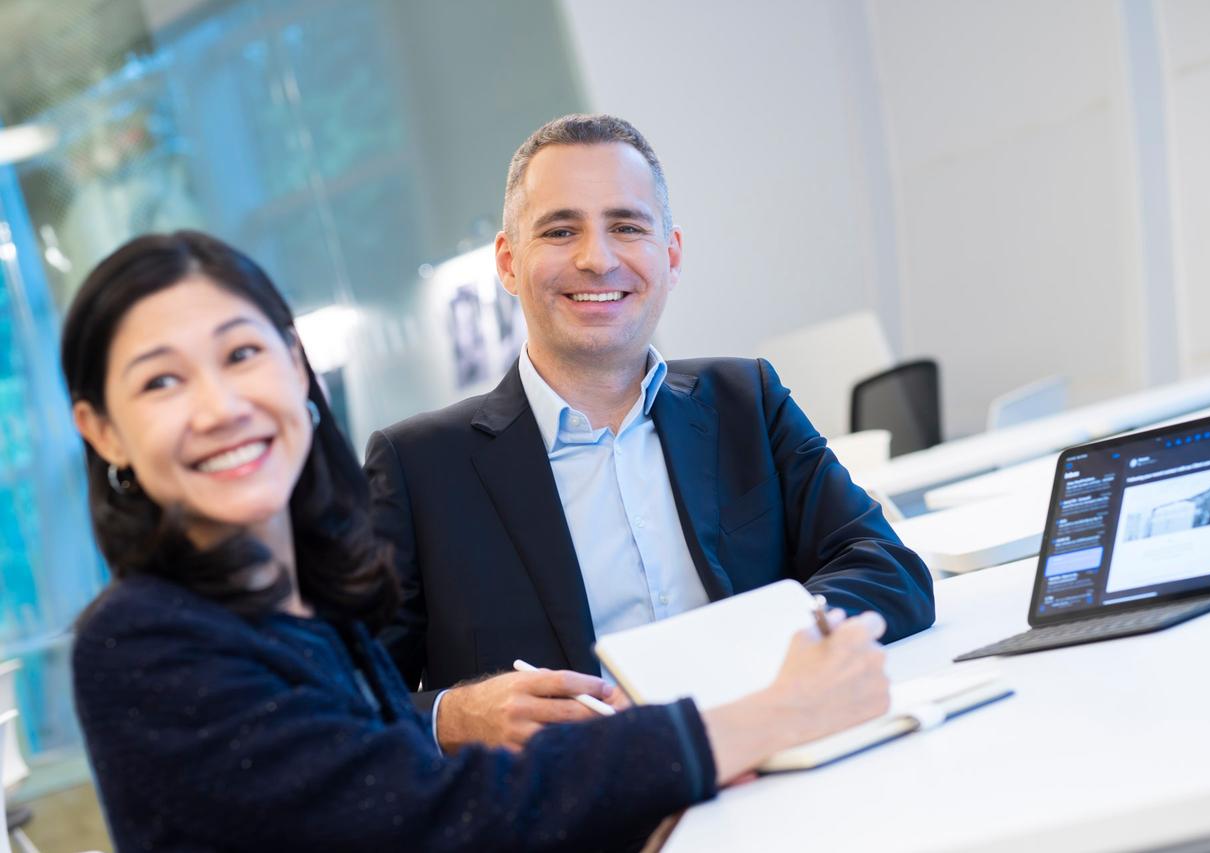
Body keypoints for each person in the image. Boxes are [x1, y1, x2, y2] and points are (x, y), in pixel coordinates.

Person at [64, 230, 893, 852]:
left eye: (241, 354)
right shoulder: (139, 641)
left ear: (295, 368)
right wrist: (762, 718)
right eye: (162, 381)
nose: (218, 407)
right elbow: (419, 809)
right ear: (102, 430)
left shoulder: (311, 599)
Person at [365, 114, 935, 754]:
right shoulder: (420, 467)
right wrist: (456, 715)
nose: (596, 258)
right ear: (508, 262)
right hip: (583, 813)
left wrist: (761, 656)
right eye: (559, 230)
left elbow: (888, 571)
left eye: (627, 227)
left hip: (783, 762)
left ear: (670, 255)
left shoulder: (747, 401)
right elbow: (347, 703)